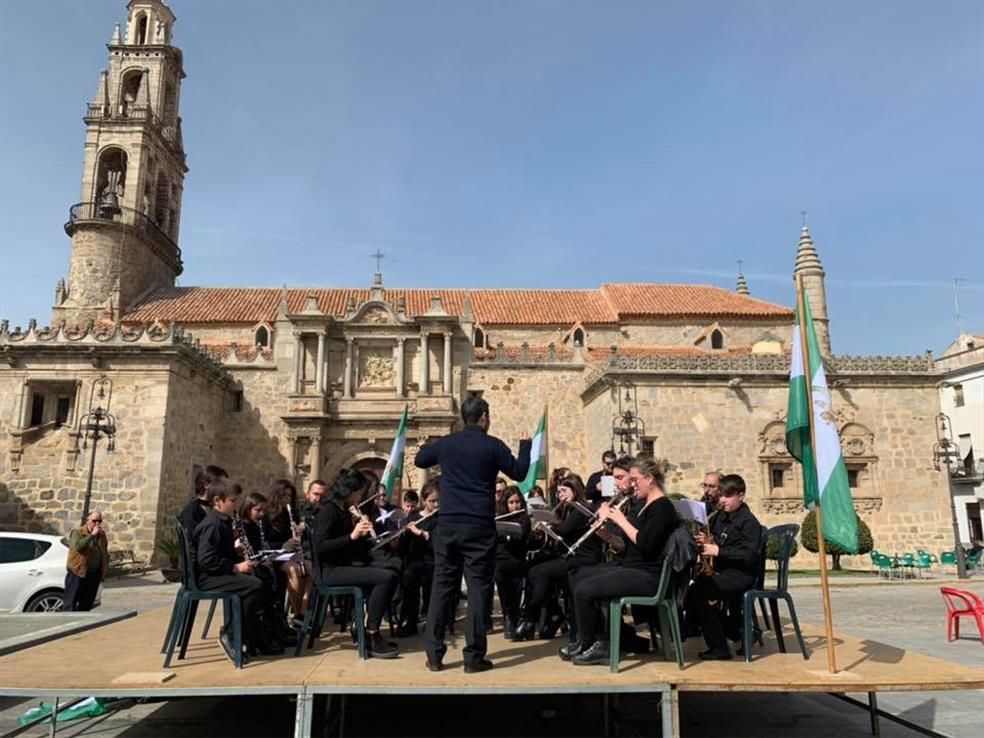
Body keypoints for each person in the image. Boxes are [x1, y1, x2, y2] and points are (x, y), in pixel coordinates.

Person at [414, 396, 531, 673]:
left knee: (443, 587)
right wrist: (525, 446)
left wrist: (430, 447)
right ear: (485, 417)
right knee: (479, 589)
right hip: (479, 525)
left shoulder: (447, 443)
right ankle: (473, 658)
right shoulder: (492, 445)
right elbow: (520, 472)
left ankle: (434, 655)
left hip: (449, 523)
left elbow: (420, 460)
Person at [566, 456, 678, 665]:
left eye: (635, 480)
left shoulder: (663, 508)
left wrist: (620, 519)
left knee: (585, 589)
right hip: (634, 567)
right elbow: (628, 545)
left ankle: (599, 643)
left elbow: (646, 545)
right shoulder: (645, 505)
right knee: (578, 574)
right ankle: (589, 639)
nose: (632, 484)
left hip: (649, 576)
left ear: (649, 479)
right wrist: (606, 534)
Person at [313, 469, 400, 659]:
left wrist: (364, 534)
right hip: (331, 571)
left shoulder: (343, 511)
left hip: (344, 565)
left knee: (391, 570)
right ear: (349, 491)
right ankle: (371, 634)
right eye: (359, 492)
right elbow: (320, 546)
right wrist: (352, 535)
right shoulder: (329, 511)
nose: (361, 496)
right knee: (386, 578)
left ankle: (365, 628)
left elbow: (351, 547)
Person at [193, 479, 282, 662]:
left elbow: (218, 553)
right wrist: (235, 567)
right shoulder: (213, 524)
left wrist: (235, 553)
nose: (236, 506)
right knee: (254, 586)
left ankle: (255, 636)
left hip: (217, 572)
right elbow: (207, 560)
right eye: (233, 501)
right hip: (209, 577)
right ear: (218, 501)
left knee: (259, 580)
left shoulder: (222, 521)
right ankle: (233, 633)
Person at [514, 474, 601, 641]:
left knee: (542, 573)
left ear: (575, 490)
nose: (560, 495)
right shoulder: (567, 508)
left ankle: (530, 619)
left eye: (564, 491)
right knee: (533, 570)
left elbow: (563, 531)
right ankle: (553, 614)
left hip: (584, 558)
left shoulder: (581, 509)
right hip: (570, 555)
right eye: (559, 492)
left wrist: (549, 524)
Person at [690, 473, 762, 660]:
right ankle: (738, 632)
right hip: (724, 571)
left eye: (728, 496)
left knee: (701, 590)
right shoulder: (720, 517)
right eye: (721, 495)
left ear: (741, 495)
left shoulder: (749, 522)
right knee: (691, 592)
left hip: (742, 574)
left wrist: (718, 551)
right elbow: (715, 539)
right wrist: (706, 540)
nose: (722, 500)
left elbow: (749, 555)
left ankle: (720, 647)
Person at [398, 481, 440, 636]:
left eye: (437, 501)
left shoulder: (440, 518)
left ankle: (432, 623)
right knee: (409, 581)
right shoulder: (413, 517)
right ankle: (410, 622)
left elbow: (438, 541)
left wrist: (421, 533)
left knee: (431, 591)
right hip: (415, 561)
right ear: (424, 501)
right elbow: (404, 546)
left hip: (432, 561)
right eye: (432, 501)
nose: (436, 504)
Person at [494, 487, 530, 639]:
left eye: (517, 502)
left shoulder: (524, 518)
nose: (515, 506)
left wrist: (511, 536)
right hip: (501, 559)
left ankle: (513, 618)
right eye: (511, 502)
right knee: (503, 588)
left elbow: (523, 538)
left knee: (516, 589)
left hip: (517, 558)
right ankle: (508, 616)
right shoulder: (500, 517)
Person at [63, 510, 109, 611]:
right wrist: (92, 535)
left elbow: (104, 552)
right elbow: (78, 547)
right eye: (94, 521)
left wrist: (104, 570)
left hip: (93, 574)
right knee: (70, 603)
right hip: (78, 572)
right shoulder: (78, 532)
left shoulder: (102, 535)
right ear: (88, 520)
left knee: (87, 604)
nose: (97, 523)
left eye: (99, 521)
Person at [178, 464, 228, 539]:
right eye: (220, 484)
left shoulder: (218, 508)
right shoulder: (191, 512)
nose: (224, 489)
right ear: (206, 484)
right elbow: (193, 544)